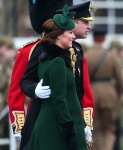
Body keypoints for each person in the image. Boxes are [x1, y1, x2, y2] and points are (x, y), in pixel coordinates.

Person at [8, 0, 94, 146]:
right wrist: (20, 125)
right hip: (41, 117)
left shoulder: (77, 51)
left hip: (71, 118)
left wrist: (85, 122)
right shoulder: (32, 50)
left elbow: (82, 90)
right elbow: (19, 86)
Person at [28, 6, 89, 150]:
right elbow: (60, 100)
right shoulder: (58, 62)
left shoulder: (49, 58)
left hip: (52, 125)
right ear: (59, 35)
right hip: (57, 130)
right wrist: (69, 130)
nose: (73, 36)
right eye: (70, 32)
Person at [85, 28, 123, 150]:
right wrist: (116, 94)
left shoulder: (87, 56)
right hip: (109, 96)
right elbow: (120, 80)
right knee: (109, 130)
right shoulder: (111, 56)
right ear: (105, 38)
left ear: (93, 38)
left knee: (93, 130)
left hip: (92, 96)